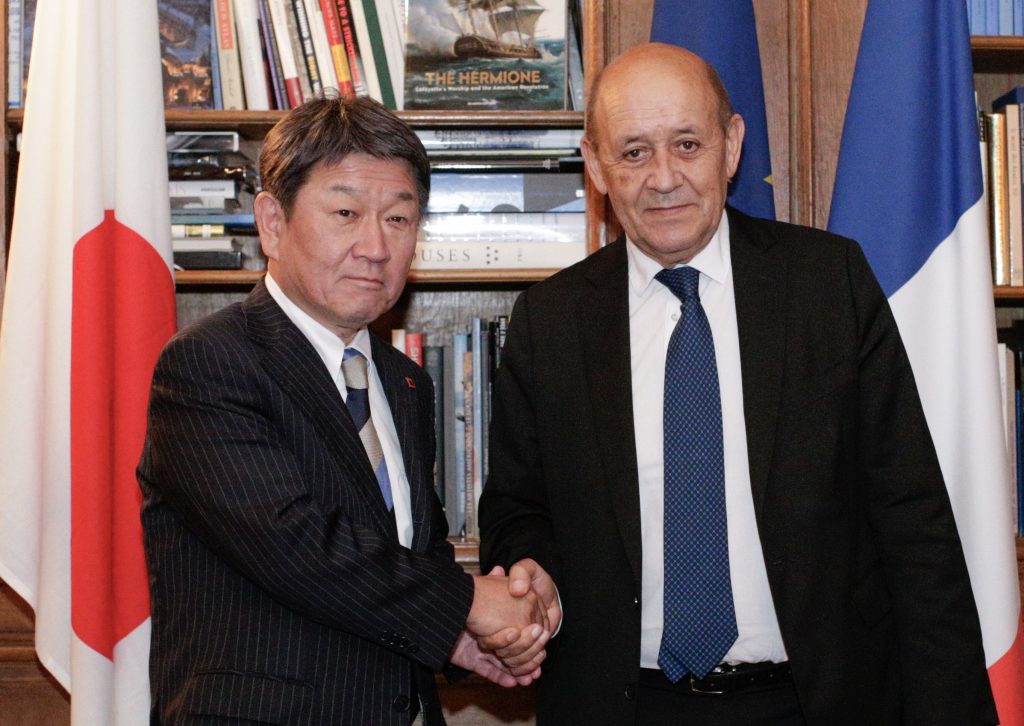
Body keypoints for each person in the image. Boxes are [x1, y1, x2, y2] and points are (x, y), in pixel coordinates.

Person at [478, 42, 997, 725]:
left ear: (731, 145)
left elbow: (913, 524)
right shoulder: (550, 322)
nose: (663, 178)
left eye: (686, 143)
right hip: (623, 705)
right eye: (633, 152)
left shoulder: (827, 285)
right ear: (596, 166)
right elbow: (517, 511)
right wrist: (532, 571)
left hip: (816, 702)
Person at [138, 96, 553, 726]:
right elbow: (297, 546)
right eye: (346, 213)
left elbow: (413, 555)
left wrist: (457, 641)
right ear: (272, 223)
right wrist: (472, 601)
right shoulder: (208, 365)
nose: (375, 246)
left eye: (398, 218)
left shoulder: (404, 382)